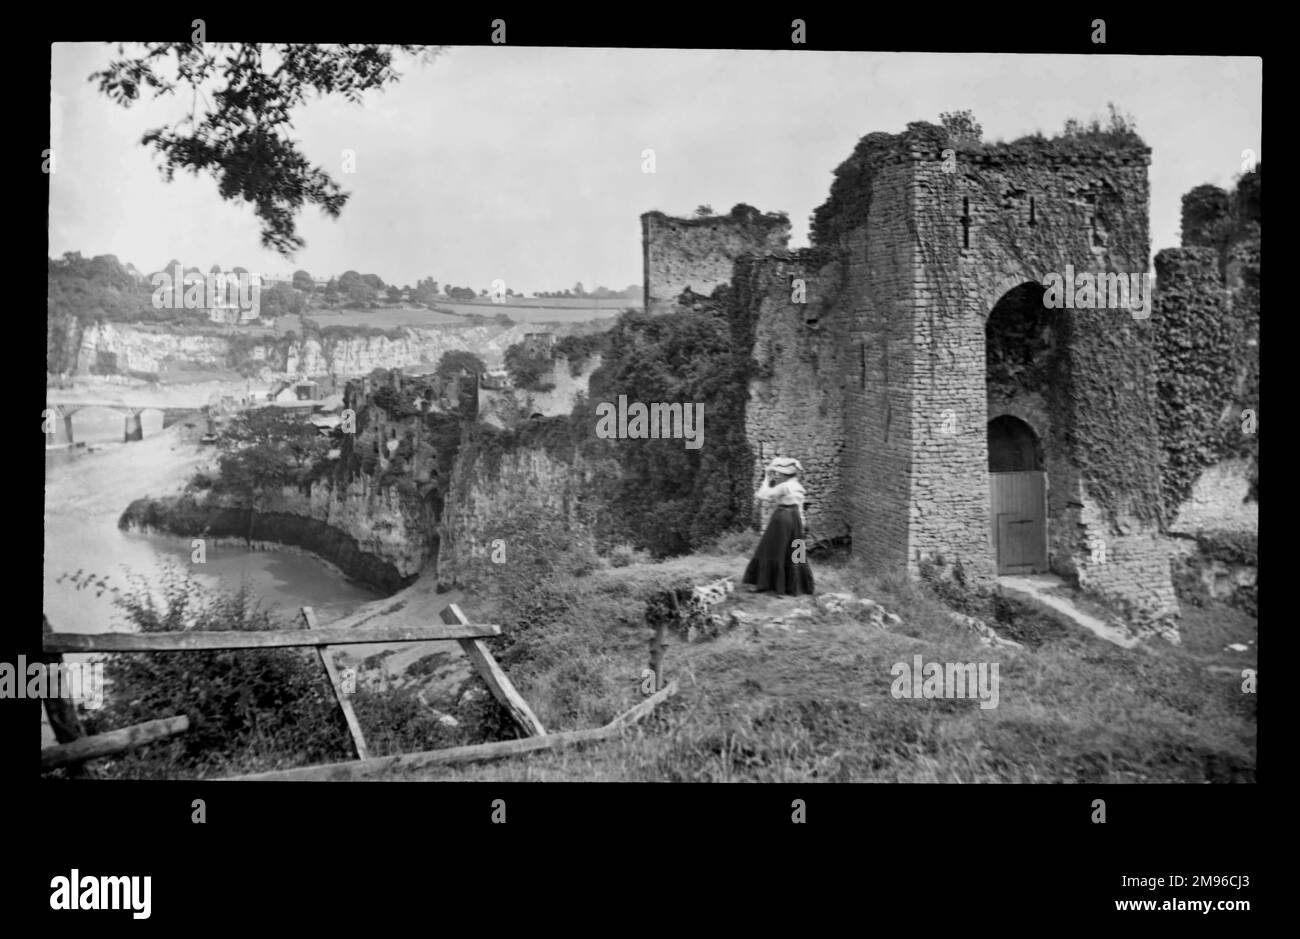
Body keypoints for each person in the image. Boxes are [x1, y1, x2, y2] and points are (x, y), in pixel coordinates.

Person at [742, 456, 815, 596]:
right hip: (795, 520)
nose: (777, 475)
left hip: (782, 518)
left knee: (771, 547)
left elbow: (762, 495)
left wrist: (766, 480)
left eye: (779, 473)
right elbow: (799, 508)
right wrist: (802, 524)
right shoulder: (798, 486)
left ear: (784, 474)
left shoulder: (784, 486)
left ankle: (767, 583)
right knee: (796, 550)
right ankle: (798, 584)